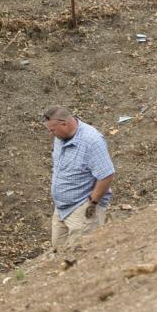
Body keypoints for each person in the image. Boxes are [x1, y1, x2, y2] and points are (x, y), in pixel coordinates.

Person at [42, 105, 115, 252]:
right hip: (61, 209)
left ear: (64, 124)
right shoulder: (61, 136)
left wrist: (92, 203)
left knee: (79, 255)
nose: (51, 134)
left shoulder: (92, 141)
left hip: (82, 207)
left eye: (53, 130)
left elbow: (106, 175)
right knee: (58, 253)